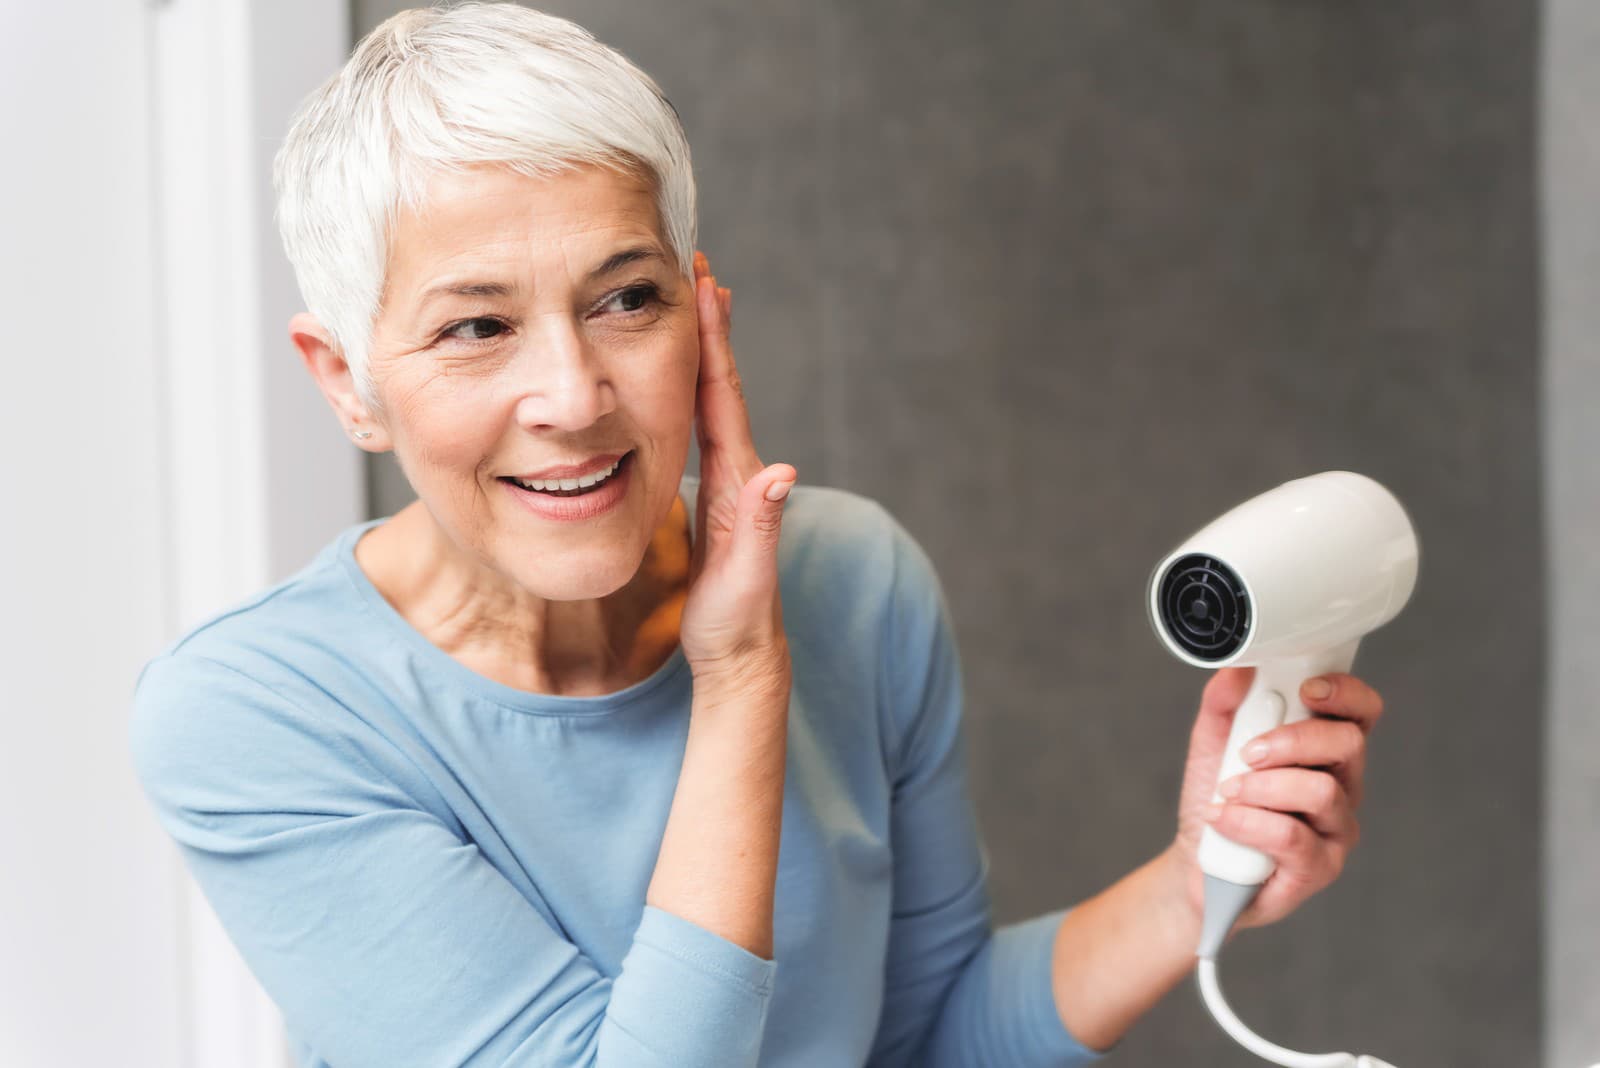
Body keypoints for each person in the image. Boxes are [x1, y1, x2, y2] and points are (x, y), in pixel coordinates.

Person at [127, 5, 1387, 1066]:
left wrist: (1190, 886)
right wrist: (737, 677)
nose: (572, 397)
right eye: (476, 327)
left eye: (627, 298)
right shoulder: (256, 714)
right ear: (346, 379)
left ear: (701, 314)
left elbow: (926, 1036)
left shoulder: (853, 580)